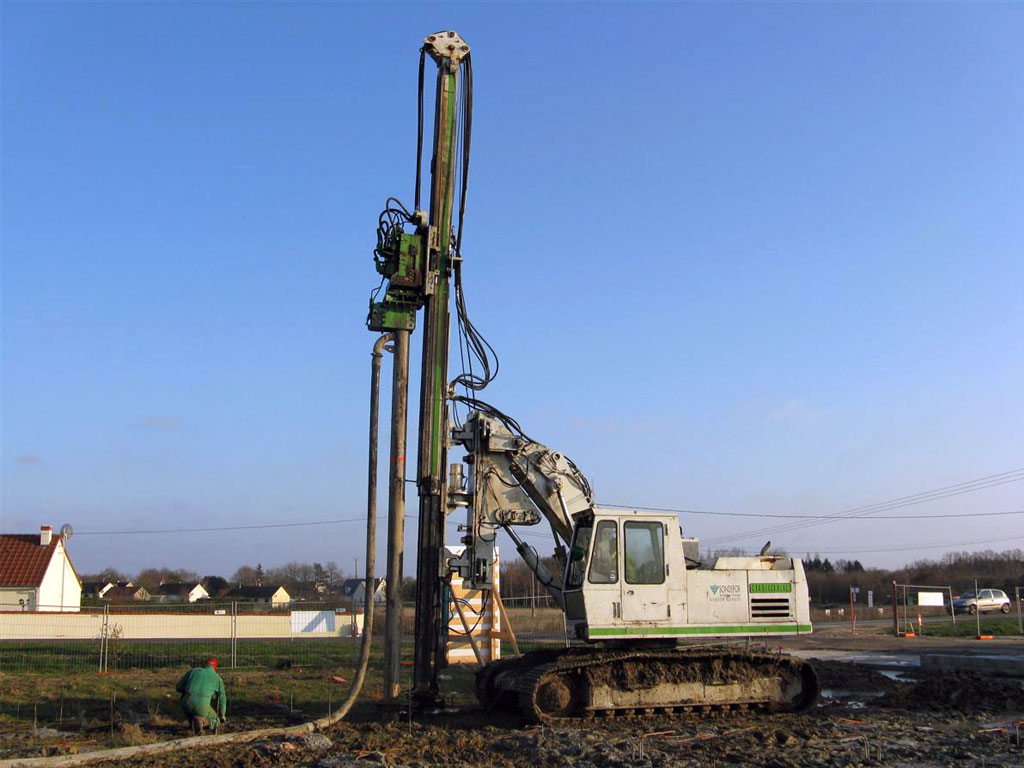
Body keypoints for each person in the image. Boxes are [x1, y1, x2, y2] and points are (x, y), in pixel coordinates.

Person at [175, 658, 227, 734]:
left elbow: (178, 687)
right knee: (216, 720)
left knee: (192, 713)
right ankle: (203, 722)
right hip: (202, 707)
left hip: (186, 704)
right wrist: (222, 715)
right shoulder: (217, 678)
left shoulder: (192, 671)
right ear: (215, 668)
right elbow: (222, 699)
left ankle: (194, 722)